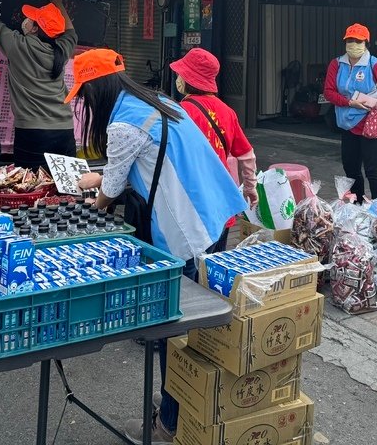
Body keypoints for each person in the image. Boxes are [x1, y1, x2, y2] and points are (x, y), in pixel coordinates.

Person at [69, 49, 246, 443]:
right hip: (214, 216)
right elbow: (149, 162)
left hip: (183, 229)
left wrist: (94, 195)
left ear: (95, 90)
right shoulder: (157, 101)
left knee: (171, 327)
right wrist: (101, 182)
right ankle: (183, 400)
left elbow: (112, 191)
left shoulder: (122, 126)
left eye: (82, 95)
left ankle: (168, 423)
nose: (81, 104)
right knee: (191, 324)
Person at [170, 48, 259, 249]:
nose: (177, 79)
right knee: (214, 265)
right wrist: (250, 187)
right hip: (221, 201)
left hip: (192, 202)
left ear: (187, 79)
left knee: (193, 270)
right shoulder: (227, 111)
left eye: (179, 75)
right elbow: (246, 154)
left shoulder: (182, 112)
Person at [0, 0, 78, 168]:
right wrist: (59, 4)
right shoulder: (62, 49)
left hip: (33, 133)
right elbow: (71, 33)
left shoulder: (19, 46)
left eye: (30, 19)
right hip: (65, 130)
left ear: (34, 29)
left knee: (31, 187)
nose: (25, 20)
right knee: (66, 187)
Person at [323, 23, 377, 202]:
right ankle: (357, 204)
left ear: (366, 43)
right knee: (350, 168)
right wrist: (349, 102)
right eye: (350, 40)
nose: (354, 44)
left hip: (370, 125)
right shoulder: (336, 64)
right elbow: (329, 92)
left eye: (358, 40)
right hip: (347, 124)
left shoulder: (375, 65)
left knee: (372, 170)